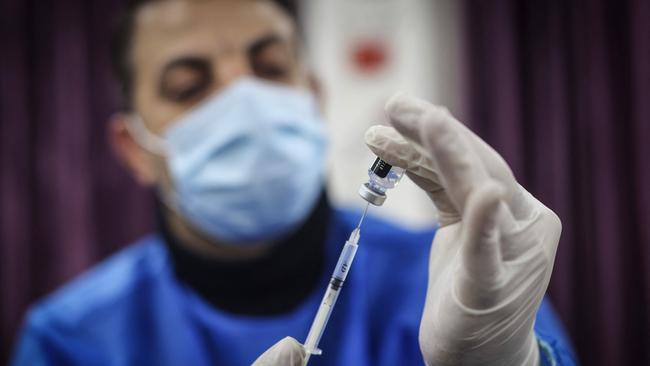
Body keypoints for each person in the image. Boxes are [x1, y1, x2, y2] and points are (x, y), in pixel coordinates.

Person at [11, 0, 577, 365]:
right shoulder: (70, 341)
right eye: (189, 87)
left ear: (314, 97)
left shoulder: (456, 280)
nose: (244, 103)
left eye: (272, 68)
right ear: (134, 150)